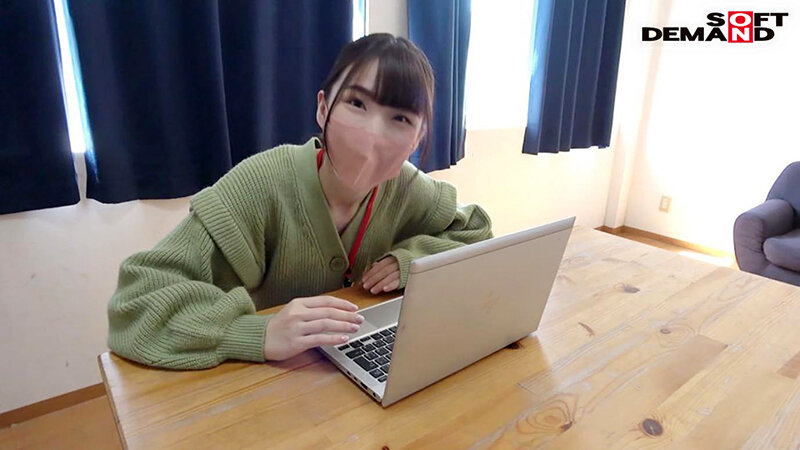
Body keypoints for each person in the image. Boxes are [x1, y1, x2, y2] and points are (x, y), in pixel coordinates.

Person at [107, 33, 493, 369]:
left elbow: (475, 232)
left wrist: (410, 260)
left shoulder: (407, 187)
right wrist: (256, 332)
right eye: (357, 104)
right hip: (263, 383)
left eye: (401, 119)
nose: (372, 135)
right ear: (323, 108)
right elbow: (135, 304)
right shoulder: (260, 185)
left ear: (418, 139)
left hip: (356, 374)